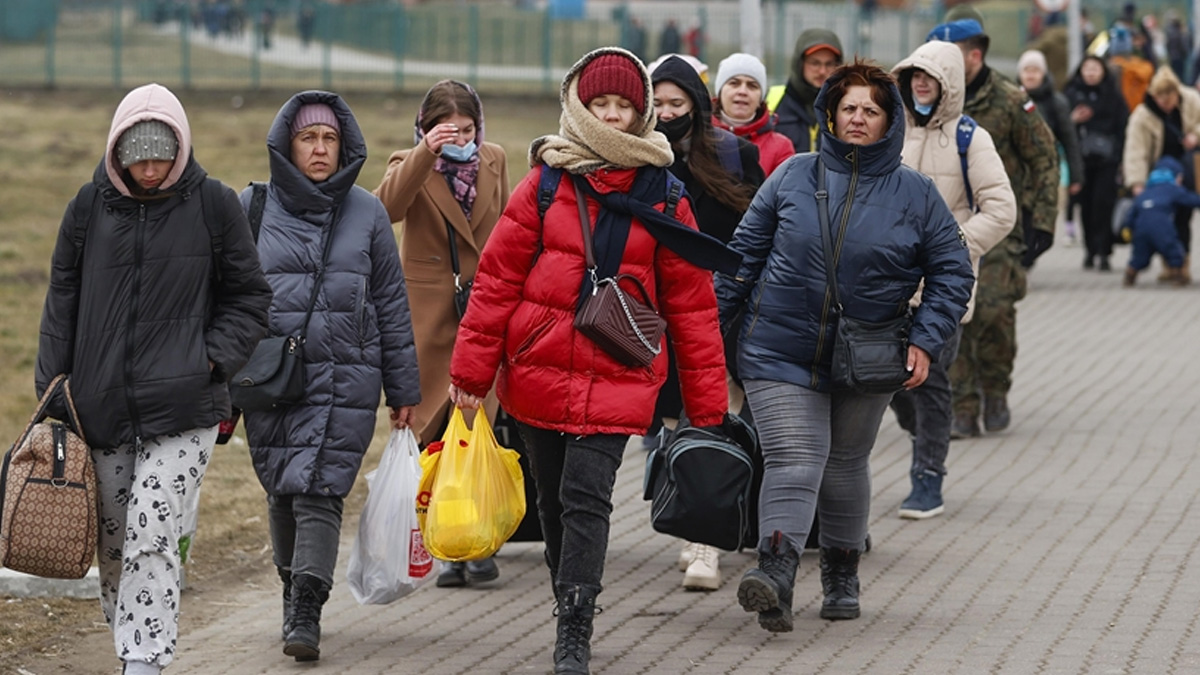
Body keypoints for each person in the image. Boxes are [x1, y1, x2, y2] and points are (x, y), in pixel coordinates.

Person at [447, 47, 732, 674]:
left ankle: (576, 624)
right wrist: (470, 374)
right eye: (599, 103)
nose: (610, 117)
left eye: (623, 106)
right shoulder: (546, 181)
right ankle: (564, 597)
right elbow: (496, 281)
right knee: (551, 503)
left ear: (643, 112)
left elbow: (692, 306)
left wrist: (708, 405)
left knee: (586, 496)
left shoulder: (663, 193)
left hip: (620, 374)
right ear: (578, 104)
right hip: (537, 371)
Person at [716, 60, 973, 633]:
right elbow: (739, 263)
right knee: (795, 459)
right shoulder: (790, 177)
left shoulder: (917, 194)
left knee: (845, 465)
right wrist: (711, 334)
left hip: (871, 353)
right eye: (848, 108)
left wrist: (926, 340)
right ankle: (775, 574)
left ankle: (840, 572)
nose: (858, 118)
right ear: (830, 114)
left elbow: (954, 273)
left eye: (871, 111)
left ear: (890, 122)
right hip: (779, 348)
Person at [36, 82, 272, 675]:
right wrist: (54, 391)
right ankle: (133, 642)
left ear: (181, 149)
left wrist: (208, 358)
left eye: (160, 154)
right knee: (113, 542)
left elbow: (250, 298)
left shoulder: (214, 205)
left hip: (186, 406)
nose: (148, 168)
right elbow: (61, 299)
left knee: (151, 530)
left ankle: (144, 659)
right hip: (101, 406)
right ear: (116, 152)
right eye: (136, 155)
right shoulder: (87, 208)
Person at [242, 92, 420, 663]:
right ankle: (294, 588)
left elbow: (392, 303)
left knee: (319, 488)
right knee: (281, 487)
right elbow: (229, 298)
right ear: (286, 145)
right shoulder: (254, 207)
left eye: (329, 139)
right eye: (308, 138)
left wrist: (404, 391)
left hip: (346, 375)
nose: (320, 149)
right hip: (271, 376)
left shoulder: (366, 211)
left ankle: (306, 610)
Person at [373, 80, 510, 588]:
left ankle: (478, 542)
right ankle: (446, 543)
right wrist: (423, 156)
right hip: (428, 312)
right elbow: (386, 208)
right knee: (433, 426)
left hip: (482, 310)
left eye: (468, 130)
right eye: (445, 131)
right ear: (424, 129)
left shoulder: (494, 159)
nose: (460, 140)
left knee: (478, 425)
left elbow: (508, 227)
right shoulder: (406, 161)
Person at [648, 54, 764, 592]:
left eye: (679, 103)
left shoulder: (737, 156)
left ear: (698, 104)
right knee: (673, 428)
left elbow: (763, 233)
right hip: (660, 315)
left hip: (724, 311)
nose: (669, 114)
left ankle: (706, 547)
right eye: (660, 104)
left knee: (716, 422)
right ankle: (686, 523)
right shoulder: (642, 157)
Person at [889, 41, 1016, 519]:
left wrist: (951, 247)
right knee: (893, 385)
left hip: (944, 289)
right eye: (914, 76)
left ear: (950, 84)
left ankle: (928, 478)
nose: (920, 84)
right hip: (889, 286)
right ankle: (924, 435)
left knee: (932, 377)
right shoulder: (893, 130)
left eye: (930, 77)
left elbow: (1001, 209)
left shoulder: (970, 137)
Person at [925, 18, 1060, 439]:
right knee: (954, 312)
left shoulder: (1009, 100)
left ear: (974, 56)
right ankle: (962, 404)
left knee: (995, 310)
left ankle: (995, 388)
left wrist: (1043, 221)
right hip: (947, 227)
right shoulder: (929, 101)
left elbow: (1043, 158)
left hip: (1000, 226)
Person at [1122, 66, 1200, 283]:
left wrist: (1195, 135)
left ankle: (1181, 264)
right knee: (1158, 218)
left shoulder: (1193, 101)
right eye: (1160, 99)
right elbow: (1135, 151)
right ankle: (1168, 263)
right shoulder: (1142, 116)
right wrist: (1137, 183)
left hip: (1187, 169)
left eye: (1170, 99)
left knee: (1183, 215)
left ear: (1177, 93)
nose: (1165, 104)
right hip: (1156, 175)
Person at [1018, 49, 1085, 261]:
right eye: (1027, 70)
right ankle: (1020, 263)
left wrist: (1076, 175)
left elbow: (1069, 140)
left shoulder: (1057, 103)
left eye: (1035, 70)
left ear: (1043, 73)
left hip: (1046, 172)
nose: (1031, 75)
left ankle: (1028, 257)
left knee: (1040, 221)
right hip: (1016, 170)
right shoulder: (1010, 99)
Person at [1065, 54, 1129, 271]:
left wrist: (1121, 157)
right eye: (1087, 68)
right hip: (1081, 160)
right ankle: (1089, 250)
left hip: (1107, 160)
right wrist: (1073, 120)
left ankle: (1104, 251)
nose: (1091, 73)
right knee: (1086, 206)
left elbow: (1123, 127)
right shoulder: (1071, 94)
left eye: (1095, 68)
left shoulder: (1113, 96)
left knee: (1104, 204)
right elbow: (1060, 128)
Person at [711, 52, 797, 176]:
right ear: (719, 92)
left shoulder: (781, 147)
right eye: (734, 83)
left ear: (761, 99)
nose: (742, 91)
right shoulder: (698, 136)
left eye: (752, 86)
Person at [1122, 156, 1199, 285]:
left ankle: (1131, 273)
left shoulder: (1145, 193)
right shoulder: (1173, 189)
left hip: (1141, 229)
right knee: (1173, 250)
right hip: (1162, 228)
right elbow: (1192, 200)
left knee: (1140, 254)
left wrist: (1127, 227)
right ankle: (1178, 275)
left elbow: (1132, 213)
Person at [774, 28, 843, 153]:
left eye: (829, 64)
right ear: (799, 64)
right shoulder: (772, 101)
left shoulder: (846, 106)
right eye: (815, 63)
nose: (822, 71)